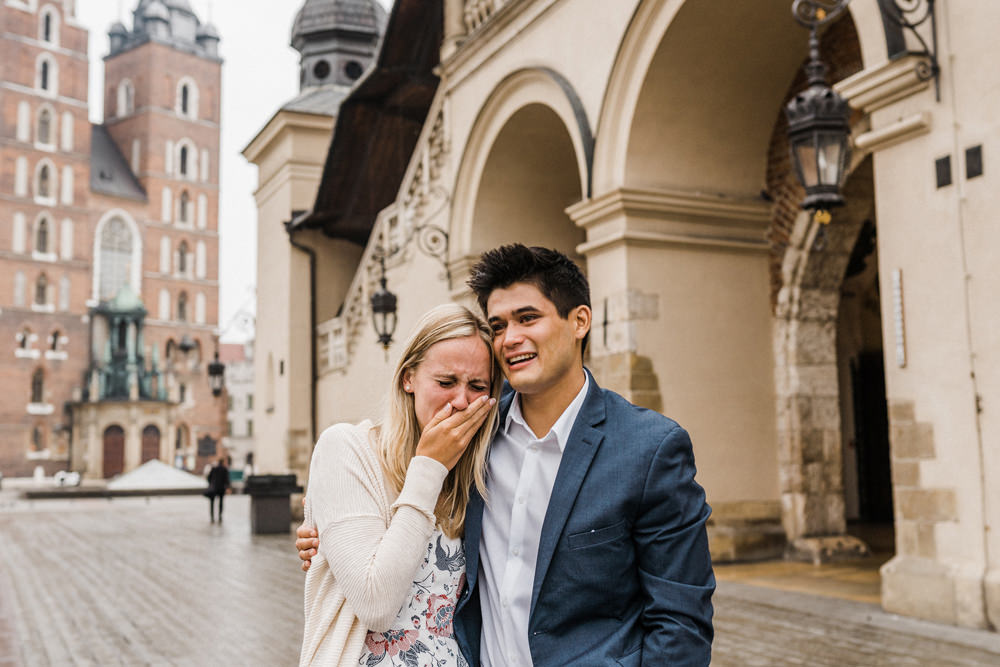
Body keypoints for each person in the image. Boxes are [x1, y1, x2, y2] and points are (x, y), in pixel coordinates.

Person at [299, 245, 715, 665]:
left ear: (580, 321)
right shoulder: (472, 437)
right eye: (498, 325)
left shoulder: (648, 448)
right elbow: (391, 532)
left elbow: (680, 623)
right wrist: (329, 539)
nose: (510, 338)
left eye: (528, 318)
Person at [299, 303, 502, 666]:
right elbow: (375, 604)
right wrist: (428, 467)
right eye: (445, 382)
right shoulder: (347, 449)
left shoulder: (476, 474)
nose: (461, 400)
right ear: (408, 378)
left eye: (477, 386)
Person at [205, 456, 230, 523]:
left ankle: (212, 517)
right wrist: (227, 487)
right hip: (221, 488)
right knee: (221, 503)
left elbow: (209, 478)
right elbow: (227, 479)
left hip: (214, 488)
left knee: (212, 503)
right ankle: (220, 516)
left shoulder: (214, 468)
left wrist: (211, 484)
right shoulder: (224, 469)